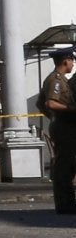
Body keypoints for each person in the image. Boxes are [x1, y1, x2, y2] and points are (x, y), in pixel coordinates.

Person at [41, 45, 76, 214]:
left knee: (68, 165)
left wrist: (54, 118)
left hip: (64, 126)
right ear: (65, 61)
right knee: (64, 166)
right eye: (72, 60)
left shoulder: (61, 80)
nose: (73, 64)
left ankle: (68, 203)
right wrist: (70, 110)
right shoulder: (55, 80)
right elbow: (50, 103)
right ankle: (65, 205)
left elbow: (40, 104)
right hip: (65, 128)